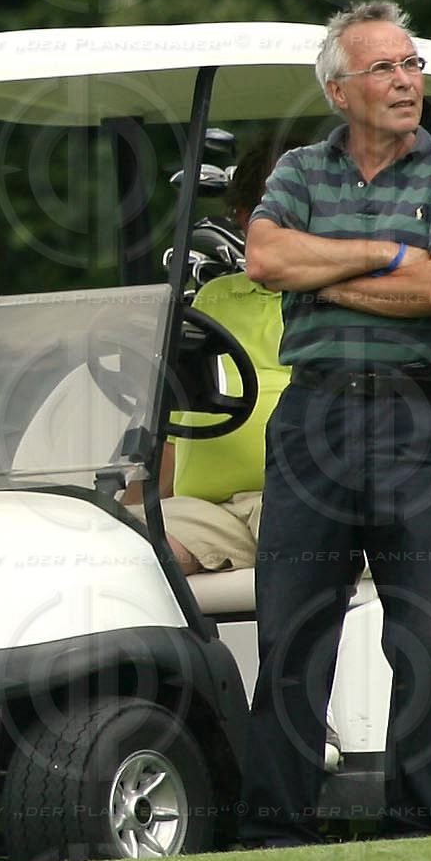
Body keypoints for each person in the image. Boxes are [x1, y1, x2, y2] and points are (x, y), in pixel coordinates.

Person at [238, 0, 431, 847]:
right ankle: (276, 836)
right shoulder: (301, 171)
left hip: (420, 417)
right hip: (318, 418)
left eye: (413, 65)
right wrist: (386, 255)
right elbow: (267, 258)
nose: (406, 81)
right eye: (384, 68)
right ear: (340, 90)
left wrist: (324, 273)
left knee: (428, 638)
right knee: (293, 638)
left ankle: (421, 832)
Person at [127, 145, 288, 574]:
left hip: (304, 504)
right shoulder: (213, 298)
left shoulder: (352, 298)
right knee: (119, 552)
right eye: (270, 209)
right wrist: (112, 510)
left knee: (301, 545)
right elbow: (177, 421)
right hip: (206, 511)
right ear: (242, 217)